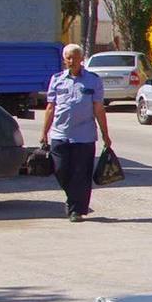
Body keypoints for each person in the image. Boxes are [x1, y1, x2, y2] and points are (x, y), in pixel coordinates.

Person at [41, 44, 111, 222]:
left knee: (81, 174)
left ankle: (76, 210)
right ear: (64, 60)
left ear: (82, 59)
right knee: (61, 169)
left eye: (75, 58)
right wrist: (44, 132)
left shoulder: (93, 80)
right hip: (60, 134)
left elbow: (98, 108)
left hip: (84, 135)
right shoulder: (57, 79)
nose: (72, 61)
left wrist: (105, 134)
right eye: (68, 58)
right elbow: (50, 107)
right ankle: (73, 200)